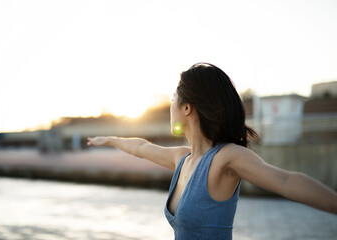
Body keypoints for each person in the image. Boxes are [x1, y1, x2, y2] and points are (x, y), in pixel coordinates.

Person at [87, 63, 337, 240]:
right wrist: (111, 139)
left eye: (175, 96)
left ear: (187, 108)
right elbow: (142, 148)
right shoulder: (182, 159)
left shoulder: (225, 158)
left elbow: (285, 180)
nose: (171, 103)